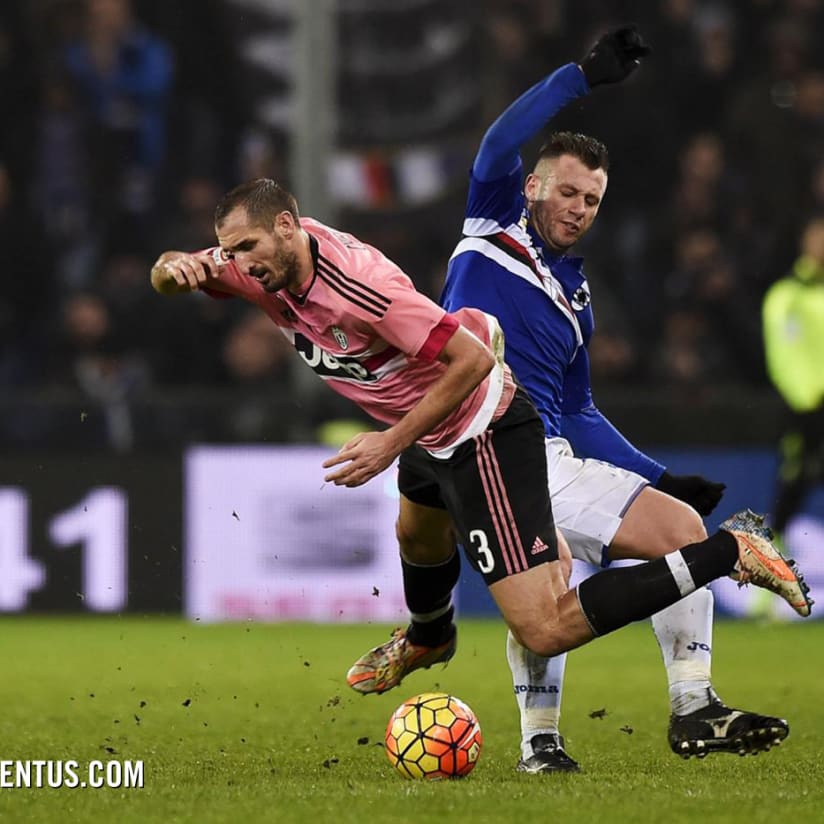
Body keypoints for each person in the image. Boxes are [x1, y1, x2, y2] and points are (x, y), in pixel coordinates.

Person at [150, 177, 810, 767]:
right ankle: (429, 637)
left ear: (287, 226)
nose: (240, 263)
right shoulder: (262, 263)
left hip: (478, 431)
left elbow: (471, 361)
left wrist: (390, 443)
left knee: (544, 625)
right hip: (428, 430)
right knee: (417, 535)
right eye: (230, 251)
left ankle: (730, 550)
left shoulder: (360, 289)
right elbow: (179, 272)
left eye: (247, 248)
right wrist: (174, 270)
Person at [345, 27, 813, 771]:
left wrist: (658, 475)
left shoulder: (576, 298)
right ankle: (572, 719)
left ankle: (647, 719)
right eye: (567, 191)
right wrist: (580, 78)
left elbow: (580, 411)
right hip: (487, 442)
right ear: (533, 187)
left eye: (592, 199)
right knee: (547, 568)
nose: (579, 207)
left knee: (656, 532)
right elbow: (498, 141)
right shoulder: (493, 225)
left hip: (534, 448)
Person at [763, 215, 824, 544]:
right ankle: (773, 552)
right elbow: (782, 355)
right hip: (806, 410)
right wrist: (807, 399)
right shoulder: (786, 296)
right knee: (794, 479)